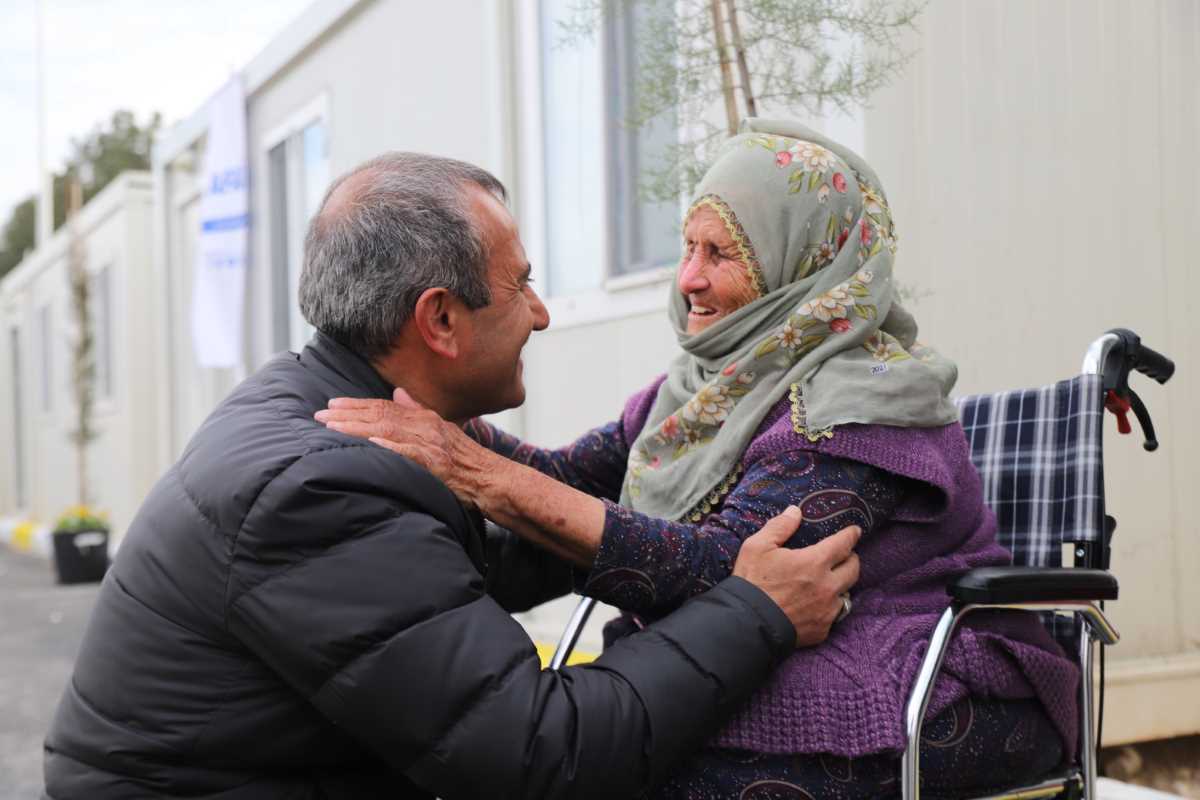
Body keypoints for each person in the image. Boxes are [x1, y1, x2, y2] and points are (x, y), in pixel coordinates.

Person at [42, 152, 865, 800]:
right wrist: (756, 611)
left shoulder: (320, 401)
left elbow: (448, 577)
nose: (541, 313)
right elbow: (542, 754)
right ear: (439, 318)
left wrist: (683, 437)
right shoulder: (316, 487)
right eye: (522, 284)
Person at [318, 120, 1081, 798]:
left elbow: (729, 574)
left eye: (720, 253)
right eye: (687, 247)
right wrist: (430, 413)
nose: (688, 280)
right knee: (605, 749)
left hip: (932, 685)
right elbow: (574, 478)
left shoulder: (858, 406)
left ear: (800, 261)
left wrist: (473, 467)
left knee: (628, 764)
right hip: (792, 663)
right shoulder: (701, 390)